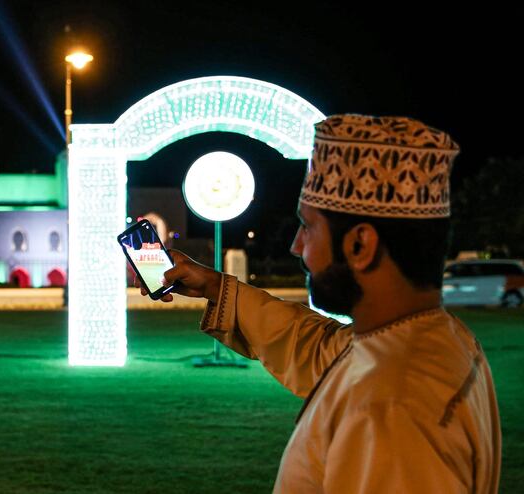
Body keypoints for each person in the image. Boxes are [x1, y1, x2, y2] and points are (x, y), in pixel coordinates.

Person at [139, 115, 501, 493]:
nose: (297, 247)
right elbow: (319, 348)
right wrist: (215, 287)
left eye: (308, 227)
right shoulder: (434, 339)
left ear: (360, 245)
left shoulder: (392, 407)